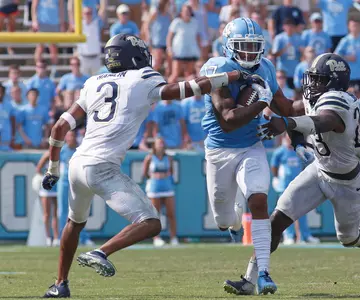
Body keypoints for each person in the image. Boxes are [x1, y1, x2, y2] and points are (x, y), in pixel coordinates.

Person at [41, 33, 246, 298]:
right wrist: (228, 78)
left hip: (76, 164)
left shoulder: (93, 82)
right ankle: (101, 251)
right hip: (102, 167)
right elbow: (183, 90)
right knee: (150, 223)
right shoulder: (142, 78)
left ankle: (60, 284)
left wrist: (53, 169)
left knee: (74, 223)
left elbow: (59, 127)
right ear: (134, 55)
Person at [224, 53, 360, 295]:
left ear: (334, 82)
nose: (312, 84)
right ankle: (250, 279)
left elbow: (324, 121)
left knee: (349, 238)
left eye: (319, 79)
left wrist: (288, 124)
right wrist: (265, 88)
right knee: (276, 222)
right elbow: (290, 107)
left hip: (346, 182)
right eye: (312, 78)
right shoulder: (318, 96)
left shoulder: (340, 101)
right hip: (319, 171)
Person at [199, 17, 293, 295]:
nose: (250, 53)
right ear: (229, 47)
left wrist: (315, 107)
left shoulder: (266, 67)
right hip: (219, 151)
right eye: (243, 47)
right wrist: (262, 101)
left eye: (254, 47)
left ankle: (263, 272)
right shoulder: (218, 68)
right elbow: (228, 119)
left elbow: (285, 106)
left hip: (251, 146)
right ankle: (235, 216)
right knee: (223, 220)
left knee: (260, 199)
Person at [271, 133, 319, 245]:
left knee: (302, 211)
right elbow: (274, 166)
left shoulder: (298, 151)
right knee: (285, 211)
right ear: (284, 138)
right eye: (287, 136)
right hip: (285, 186)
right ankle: (288, 236)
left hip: (298, 185)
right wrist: (276, 178)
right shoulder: (279, 152)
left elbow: (307, 163)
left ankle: (305, 235)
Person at [56, 130, 94, 247]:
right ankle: (62, 237)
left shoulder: (80, 150)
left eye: (73, 135)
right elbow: (49, 156)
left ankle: (83, 237)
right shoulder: (62, 150)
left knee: (79, 210)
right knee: (63, 211)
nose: (71, 138)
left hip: (78, 183)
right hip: (64, 183)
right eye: (69, 136)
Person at [143, 136, 179, 247]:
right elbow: (145, 173)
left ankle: (173, 238)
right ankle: (157, 238)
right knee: (155, 214)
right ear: (154, 145)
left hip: (167, 187)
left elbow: (171, 172)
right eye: (159, 143)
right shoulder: (149, 157)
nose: (161, 145)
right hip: (154, 188)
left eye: (162, 143)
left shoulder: (168, 158)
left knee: (171, 213)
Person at [334, 19, 360, 93]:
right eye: (353, 26)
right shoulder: (345, 40)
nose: (355, 28)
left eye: (357, 26)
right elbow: (336, 56)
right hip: (349, 75)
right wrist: (347, 58)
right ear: (349, 27)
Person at [36, 150, 60, 247]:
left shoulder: (61, 153)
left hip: (57, 186)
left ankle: (56, 237)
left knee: (56, 213)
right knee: (47, 213)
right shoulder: (47, 154)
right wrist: (45, 178)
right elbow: (38, 169)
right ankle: (48, 237)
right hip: (47, 187)